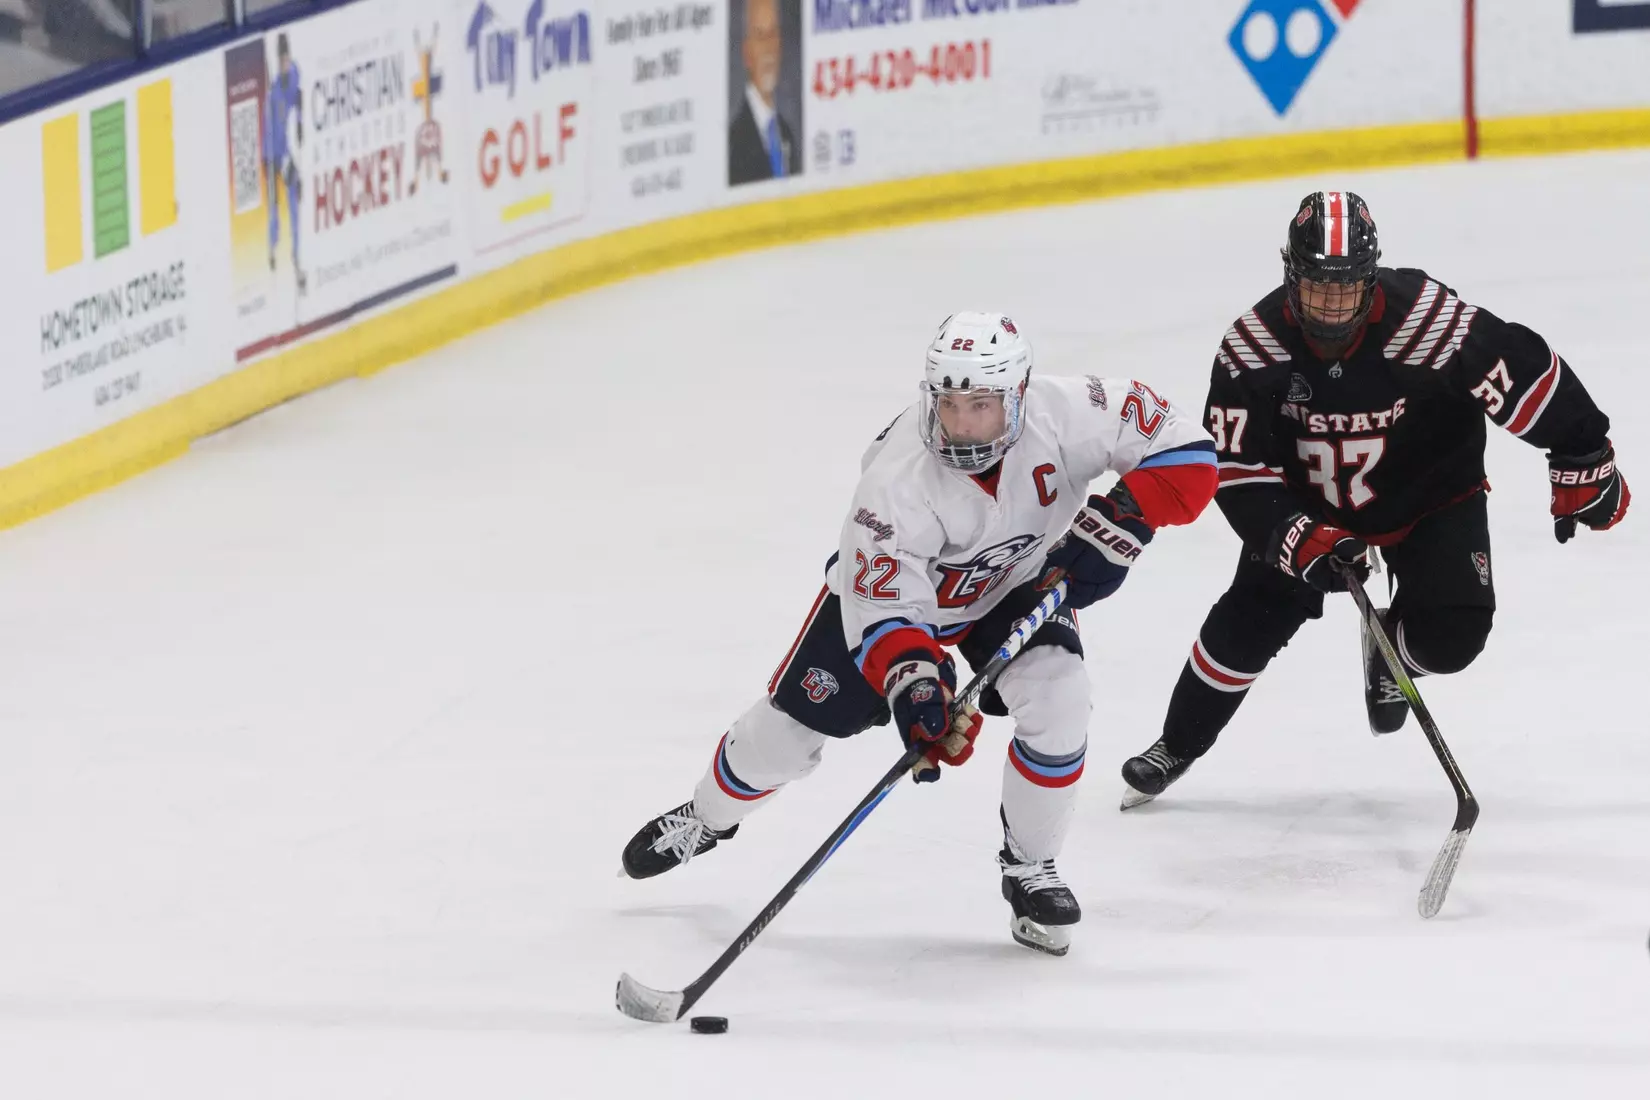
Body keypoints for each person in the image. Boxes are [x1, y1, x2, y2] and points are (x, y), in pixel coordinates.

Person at [621, 312, 1218, 955]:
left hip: (1012, 583)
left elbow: (1187, 450)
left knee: (1060, 695)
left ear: (1017, 395)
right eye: (950, 404)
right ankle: (706, 818)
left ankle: (1030, 869)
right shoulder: (894, 480)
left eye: (981, 405)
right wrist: (917, 691)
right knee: (783, 739)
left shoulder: (1074, 410)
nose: (961, 423)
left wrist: (1125, 520)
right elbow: (885, 612)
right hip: (892, 608)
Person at [1120, 190, 1630, 807]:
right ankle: (1177, 744)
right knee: (1245, 624)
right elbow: (1236, 467)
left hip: (1431, 497)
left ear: (1370, 277)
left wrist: (1582, 453)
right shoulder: (1253, 350)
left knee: (1455, 640)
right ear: (1291, 275)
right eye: (1315, 286)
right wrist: (1296, 537)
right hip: (1310, 512)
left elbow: (1522, 367)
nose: (1331, 306)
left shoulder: (1426, 321)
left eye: (1346, 287)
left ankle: (1392, 657)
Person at [728, 0, 795, 186]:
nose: (768, 48)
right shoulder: (733, 144)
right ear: (747, 52)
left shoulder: (786, 134)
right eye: (760, 36)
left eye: (772, 34)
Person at [264, 33, 305, 295]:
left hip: (285, 152)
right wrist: (273, 163)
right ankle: (272, 248)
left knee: (294, 201)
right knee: (274, 207)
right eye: (282, 61)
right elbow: (271, 131)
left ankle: (296, 253)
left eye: (288, 60)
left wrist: (300, 121)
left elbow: (298, 97)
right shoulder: (274, 92)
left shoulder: (293, 78)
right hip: (272, 154)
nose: (286, 65)